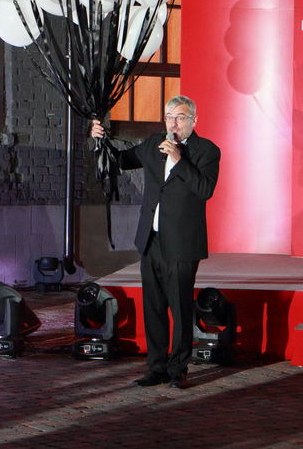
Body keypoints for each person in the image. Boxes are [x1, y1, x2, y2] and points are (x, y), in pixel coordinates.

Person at [91, 95, 220, 388]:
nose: (173, 123)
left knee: (180, 307)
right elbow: (120, 161)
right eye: (169, 117)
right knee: (154, 307)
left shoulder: (207, 150)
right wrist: (100, 141)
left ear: (194, 120)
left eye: (180, 117)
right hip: (152, 240)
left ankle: (178, 369)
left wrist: (178, 160)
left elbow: (205, 189)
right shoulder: (152, 144)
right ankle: (157, 367)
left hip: (183, 243)